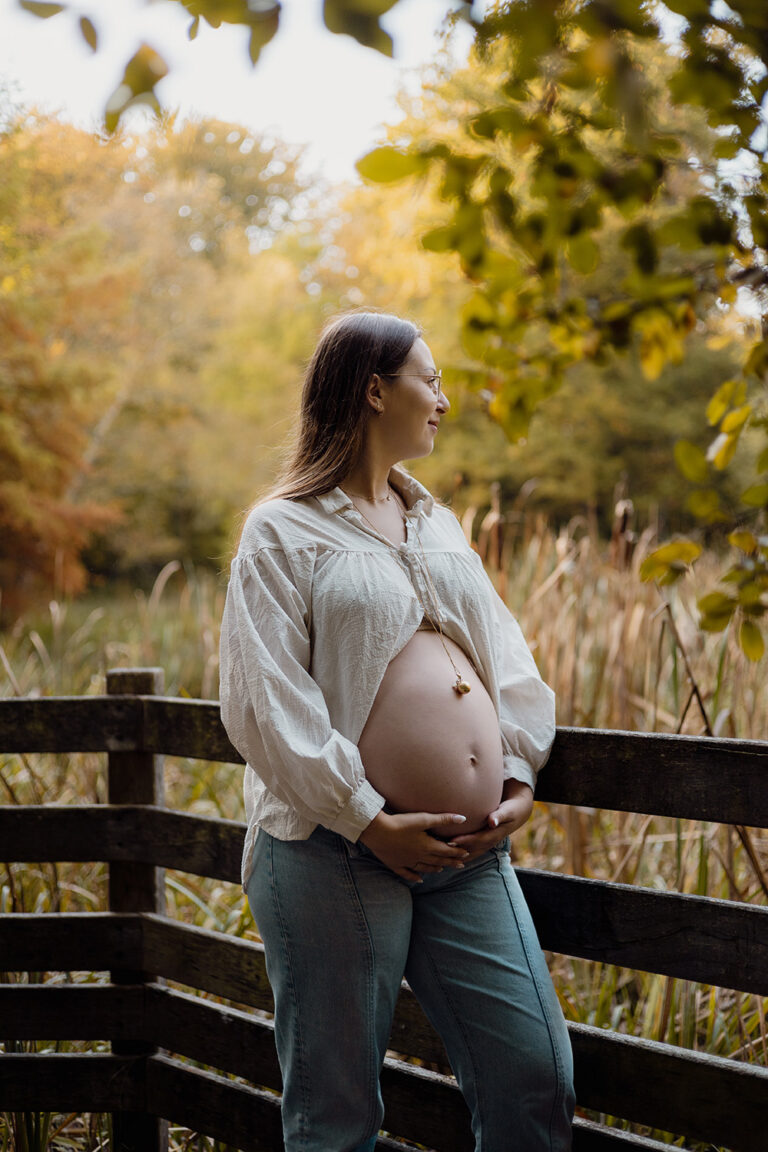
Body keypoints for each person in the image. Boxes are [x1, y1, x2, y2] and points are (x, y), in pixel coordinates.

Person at [219, 310, 575, 1152]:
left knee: (536, 1073)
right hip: (331, 851)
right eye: (432, 378)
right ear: (375, 390)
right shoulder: (283, 529)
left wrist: (518, 771)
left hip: (467, 853)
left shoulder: (436, 523)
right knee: (338, 1116)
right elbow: (263, 698)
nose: (444, 398)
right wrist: (367, 817)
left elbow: (505, 654)